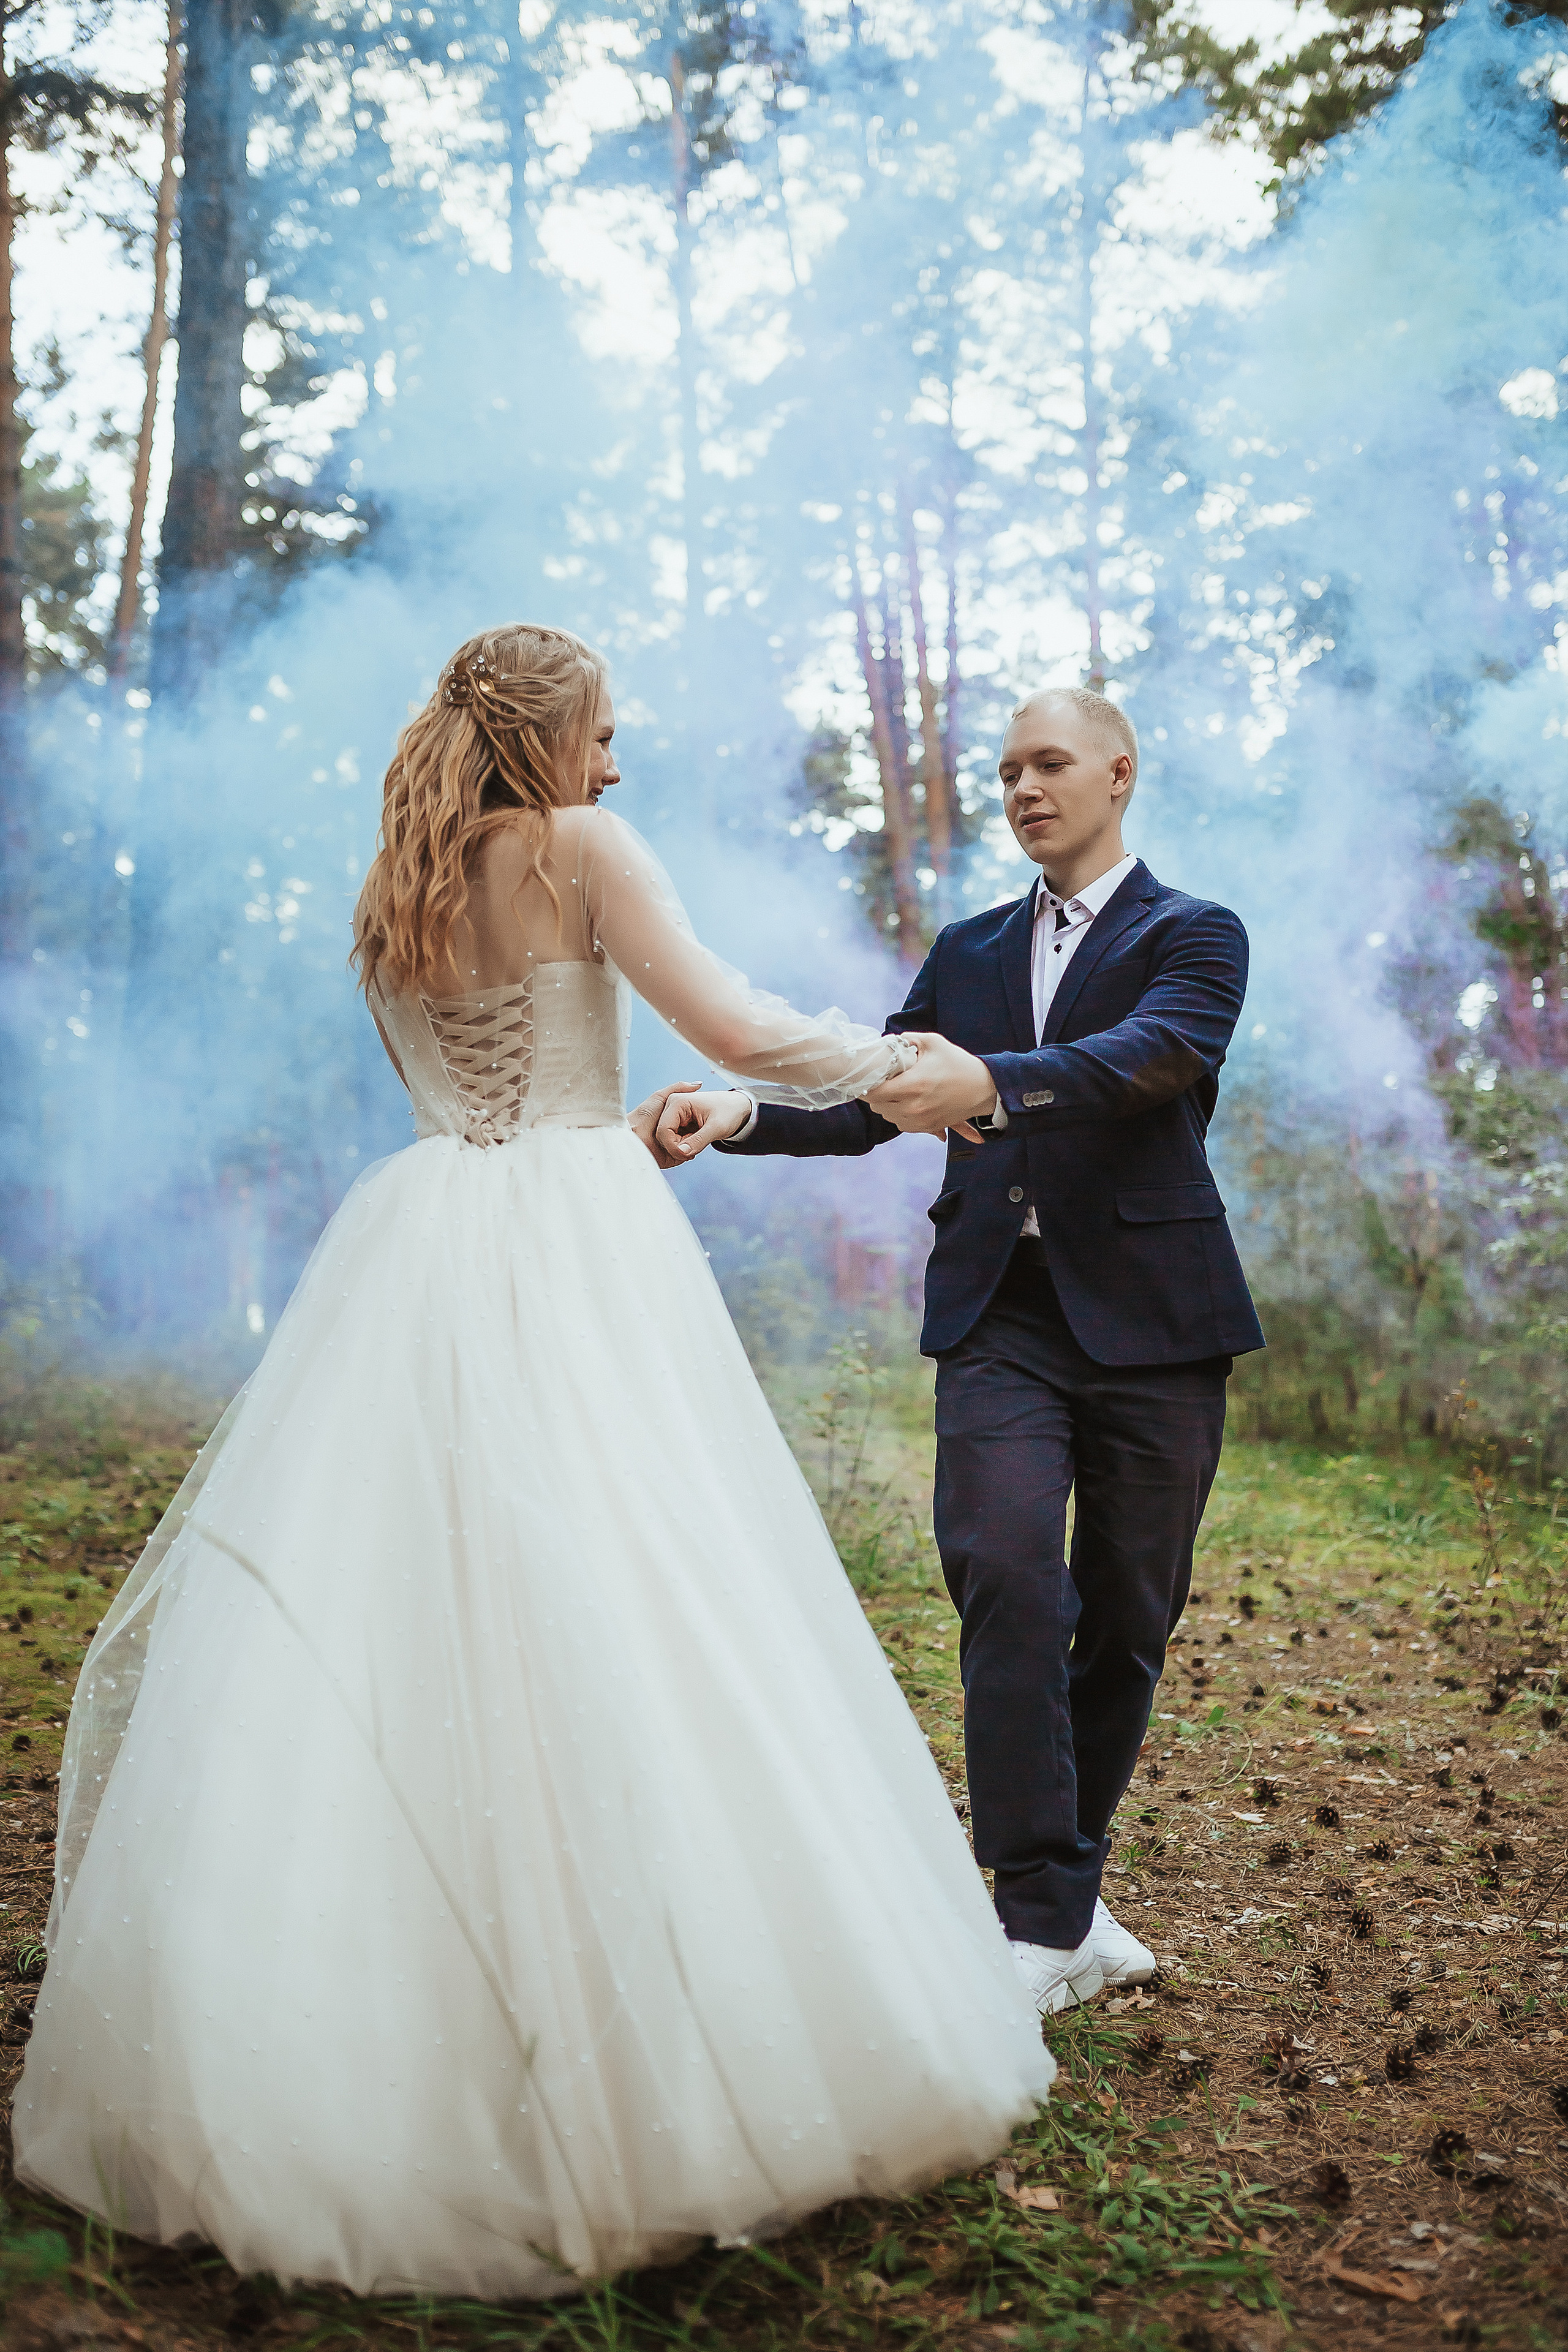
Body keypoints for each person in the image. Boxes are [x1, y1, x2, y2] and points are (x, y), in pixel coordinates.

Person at [12, 626, 1052, 2301]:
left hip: (424, 1232)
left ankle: (355, 2035)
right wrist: (908, 1077)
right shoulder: (577, 845)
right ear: (552, 734)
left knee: (410, 1593)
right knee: (638, 1577)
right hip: (571, 1236)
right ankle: (649, 2055)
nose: (619, 764)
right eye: (607, 733)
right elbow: (728, 1023)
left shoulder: (395, 881)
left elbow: (469, 1087)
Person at [656, 687, 1265, 2018]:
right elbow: (879, 1096)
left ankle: (1064, 1900)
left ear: (1118, 771)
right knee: (1000, 1573)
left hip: (1159, 1326)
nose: (1023, 789)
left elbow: (1155, 1057)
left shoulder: (1194, 933)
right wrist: (738, 1115)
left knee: (1124, 1621)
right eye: (1004, 772)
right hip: (1002, 1316)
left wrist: (991, 1084)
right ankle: (1036, 1915)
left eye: (1048, 764)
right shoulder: (971, 947)